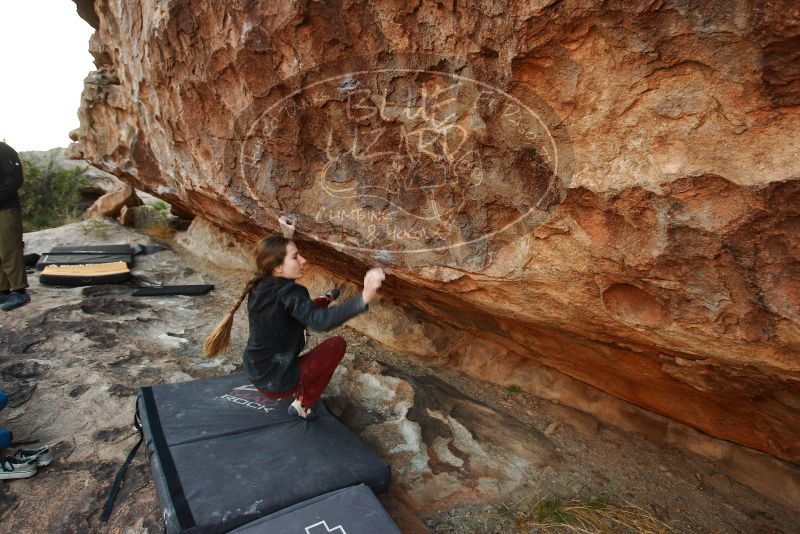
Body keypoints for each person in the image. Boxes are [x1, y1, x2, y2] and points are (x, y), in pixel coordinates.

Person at [204, 215, 385, 419]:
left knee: (306, 309)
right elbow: (320, 322)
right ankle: (303, 404)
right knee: (337, 345)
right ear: (278, 267)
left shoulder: (260, 283)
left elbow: (276, 270)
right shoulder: (291, 292)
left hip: (256, 369)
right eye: (295, 256)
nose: (304, 260)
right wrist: (364, 297)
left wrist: (285, 238)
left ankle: (323, 299)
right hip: (277, 382)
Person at [0, 141, 30, 312]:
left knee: (9, 250)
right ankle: (2, 291)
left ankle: (19, 291)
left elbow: (15, 178)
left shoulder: (3, 150)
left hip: (6, 209)